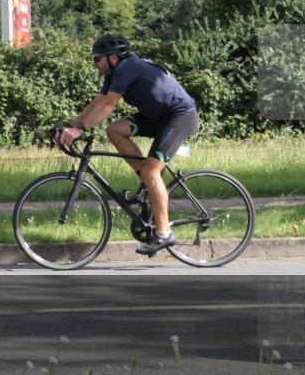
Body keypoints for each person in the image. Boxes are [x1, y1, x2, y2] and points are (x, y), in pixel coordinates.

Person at [55, 35, 199, 255]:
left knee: (152, 172)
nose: (95, 63)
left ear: (112, 57)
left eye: (97, 59)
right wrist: (70, 127)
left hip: (179, 116)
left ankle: (164, 233)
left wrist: (80, 130)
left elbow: (109, 105)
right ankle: (147, 182)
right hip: (156, 117)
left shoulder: (127, 67)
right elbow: (98, 102)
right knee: (115, 130)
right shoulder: (113, 72)